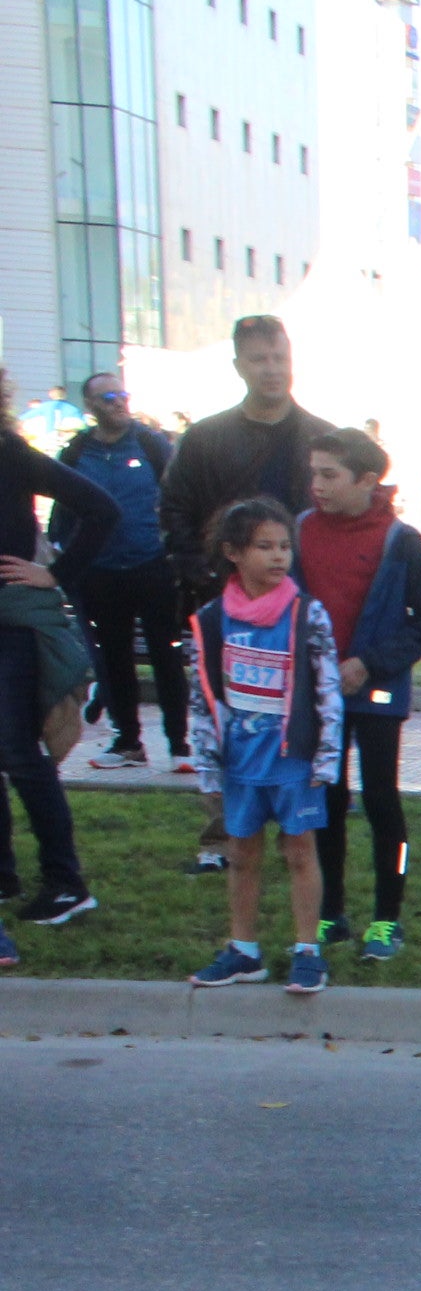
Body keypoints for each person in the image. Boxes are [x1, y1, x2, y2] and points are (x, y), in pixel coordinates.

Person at [162, 318, 329, 861]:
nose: (272, 368)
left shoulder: (318, 438)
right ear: (239, 366)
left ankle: (301, 827)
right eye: (259, 359)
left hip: (297, 607)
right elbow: (174, 514)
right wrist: (208, 578)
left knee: (301, 709)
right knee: (222, 713)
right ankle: (225, 835)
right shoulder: (207, 439)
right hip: (223, 604)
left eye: (279, 356)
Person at [294, 429, 421, 962]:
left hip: (376, 693)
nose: (317, 485)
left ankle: (388, 918)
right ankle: (330, 910)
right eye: (313, 472)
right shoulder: (300, 530)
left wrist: (370, 664)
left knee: (383, 802)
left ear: (367, 479)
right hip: (316, 695)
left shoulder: (400, 540)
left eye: (329, 475)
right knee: (324, 802)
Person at [185, 500, 345, 995]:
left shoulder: (306, 614)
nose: (279, 557)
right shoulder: (211, 620)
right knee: (242, 852)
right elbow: (201, 693)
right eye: (264, 547)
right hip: (239, 762)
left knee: (300, 850)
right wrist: (207, 762)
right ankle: (243, 950)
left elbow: (327, 686)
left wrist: (327, 754)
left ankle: (307, 951)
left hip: (293, 760)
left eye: (284, 546)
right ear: (233, 553)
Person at [0, 380, 122, 941]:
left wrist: (57, 573)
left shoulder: (13, 456)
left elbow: (101, 509)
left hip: (14, 622)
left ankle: (66, 881)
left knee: (19, 752)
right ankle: (6, 874)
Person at [52, 371, 184, 773]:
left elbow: (178, 496)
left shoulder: (150, 443)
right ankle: (128, 742)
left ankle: (180, 744)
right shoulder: (76, 454)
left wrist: (176, 550)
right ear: (91, 407)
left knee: (166, 656)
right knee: (114, 658)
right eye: (108, 397)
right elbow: (62, 514)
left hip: (151, 566)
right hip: (101, 573)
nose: (118, 403)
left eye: (122, 395)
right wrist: (65, 559)